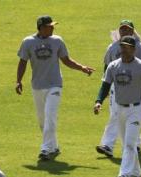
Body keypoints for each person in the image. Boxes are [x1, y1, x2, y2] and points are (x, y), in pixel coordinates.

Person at [16, 15, 95, 162]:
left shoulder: (57, 41)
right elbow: (22, 62)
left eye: (53, 26)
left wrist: (81, 68)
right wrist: (18, 81)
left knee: (50, 116)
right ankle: (54, 146)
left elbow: (66, 60)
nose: (53, 28)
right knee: (42, 120)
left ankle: (45, 149)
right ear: (41, 28)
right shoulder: (28, 42)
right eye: (49, 26)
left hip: (54, 85)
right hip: (37, 86)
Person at [94, 35, 141, 177]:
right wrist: (98, 101)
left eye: (127, 47)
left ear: (134, 49)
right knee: (126, 143)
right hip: (120, 108)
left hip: (136, 109)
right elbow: (105, 85)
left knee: (129, 144)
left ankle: (124, 175)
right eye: (122, 46)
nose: (123, 49)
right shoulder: (113, 66)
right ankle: (136, 173)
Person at [96, 19, 141, 158]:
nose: (124, 31)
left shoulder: (140, 47)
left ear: (133, 31)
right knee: (119, 114)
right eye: (122, 29)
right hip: (117, 87)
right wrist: (106, 88)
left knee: (129, 114)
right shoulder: (113, 47)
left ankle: (109, 145)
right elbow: (107, 68)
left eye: (127, 29)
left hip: (135, 87)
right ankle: (133, 144)